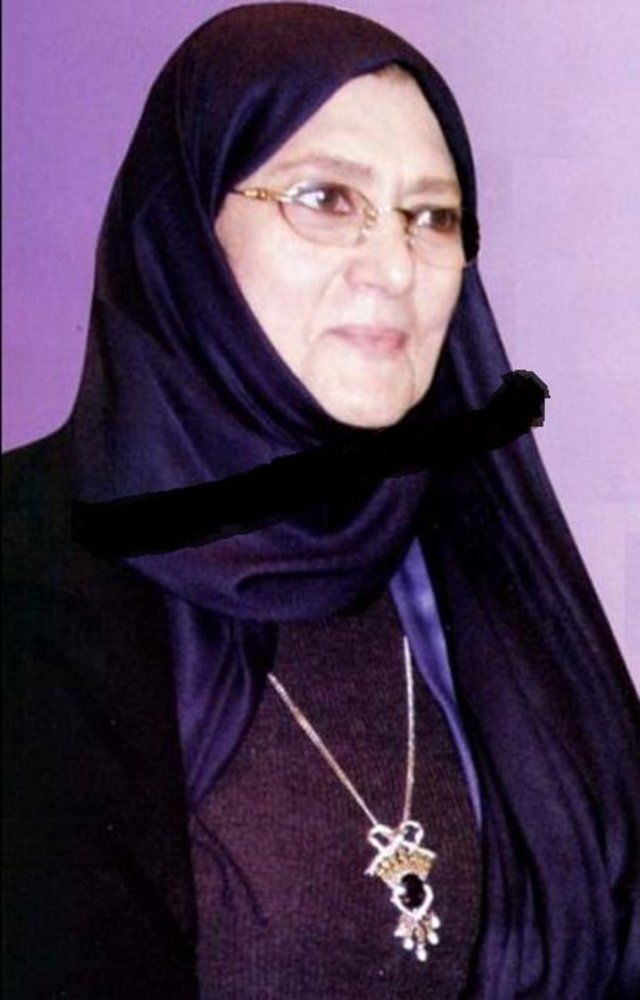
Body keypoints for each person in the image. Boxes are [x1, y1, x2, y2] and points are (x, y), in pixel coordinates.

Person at [3, 4, 639, 998]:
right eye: (326, 197)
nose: (394, 266)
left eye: (432, 216)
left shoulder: (477, 553)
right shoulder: (27, 565)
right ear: (185, 236)